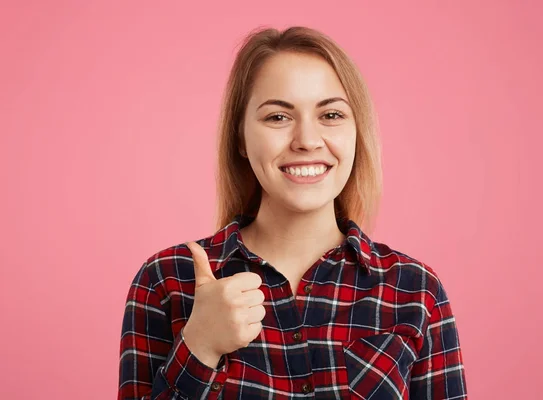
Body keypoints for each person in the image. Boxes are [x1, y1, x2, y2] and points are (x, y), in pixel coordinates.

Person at [118, 26, 467, 400]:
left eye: (331, 115)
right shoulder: (166, 280)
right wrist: (200, 347)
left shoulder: (414, 290)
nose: (307, 140)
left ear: (356, 131)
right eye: (278, 118)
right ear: (240, 137)